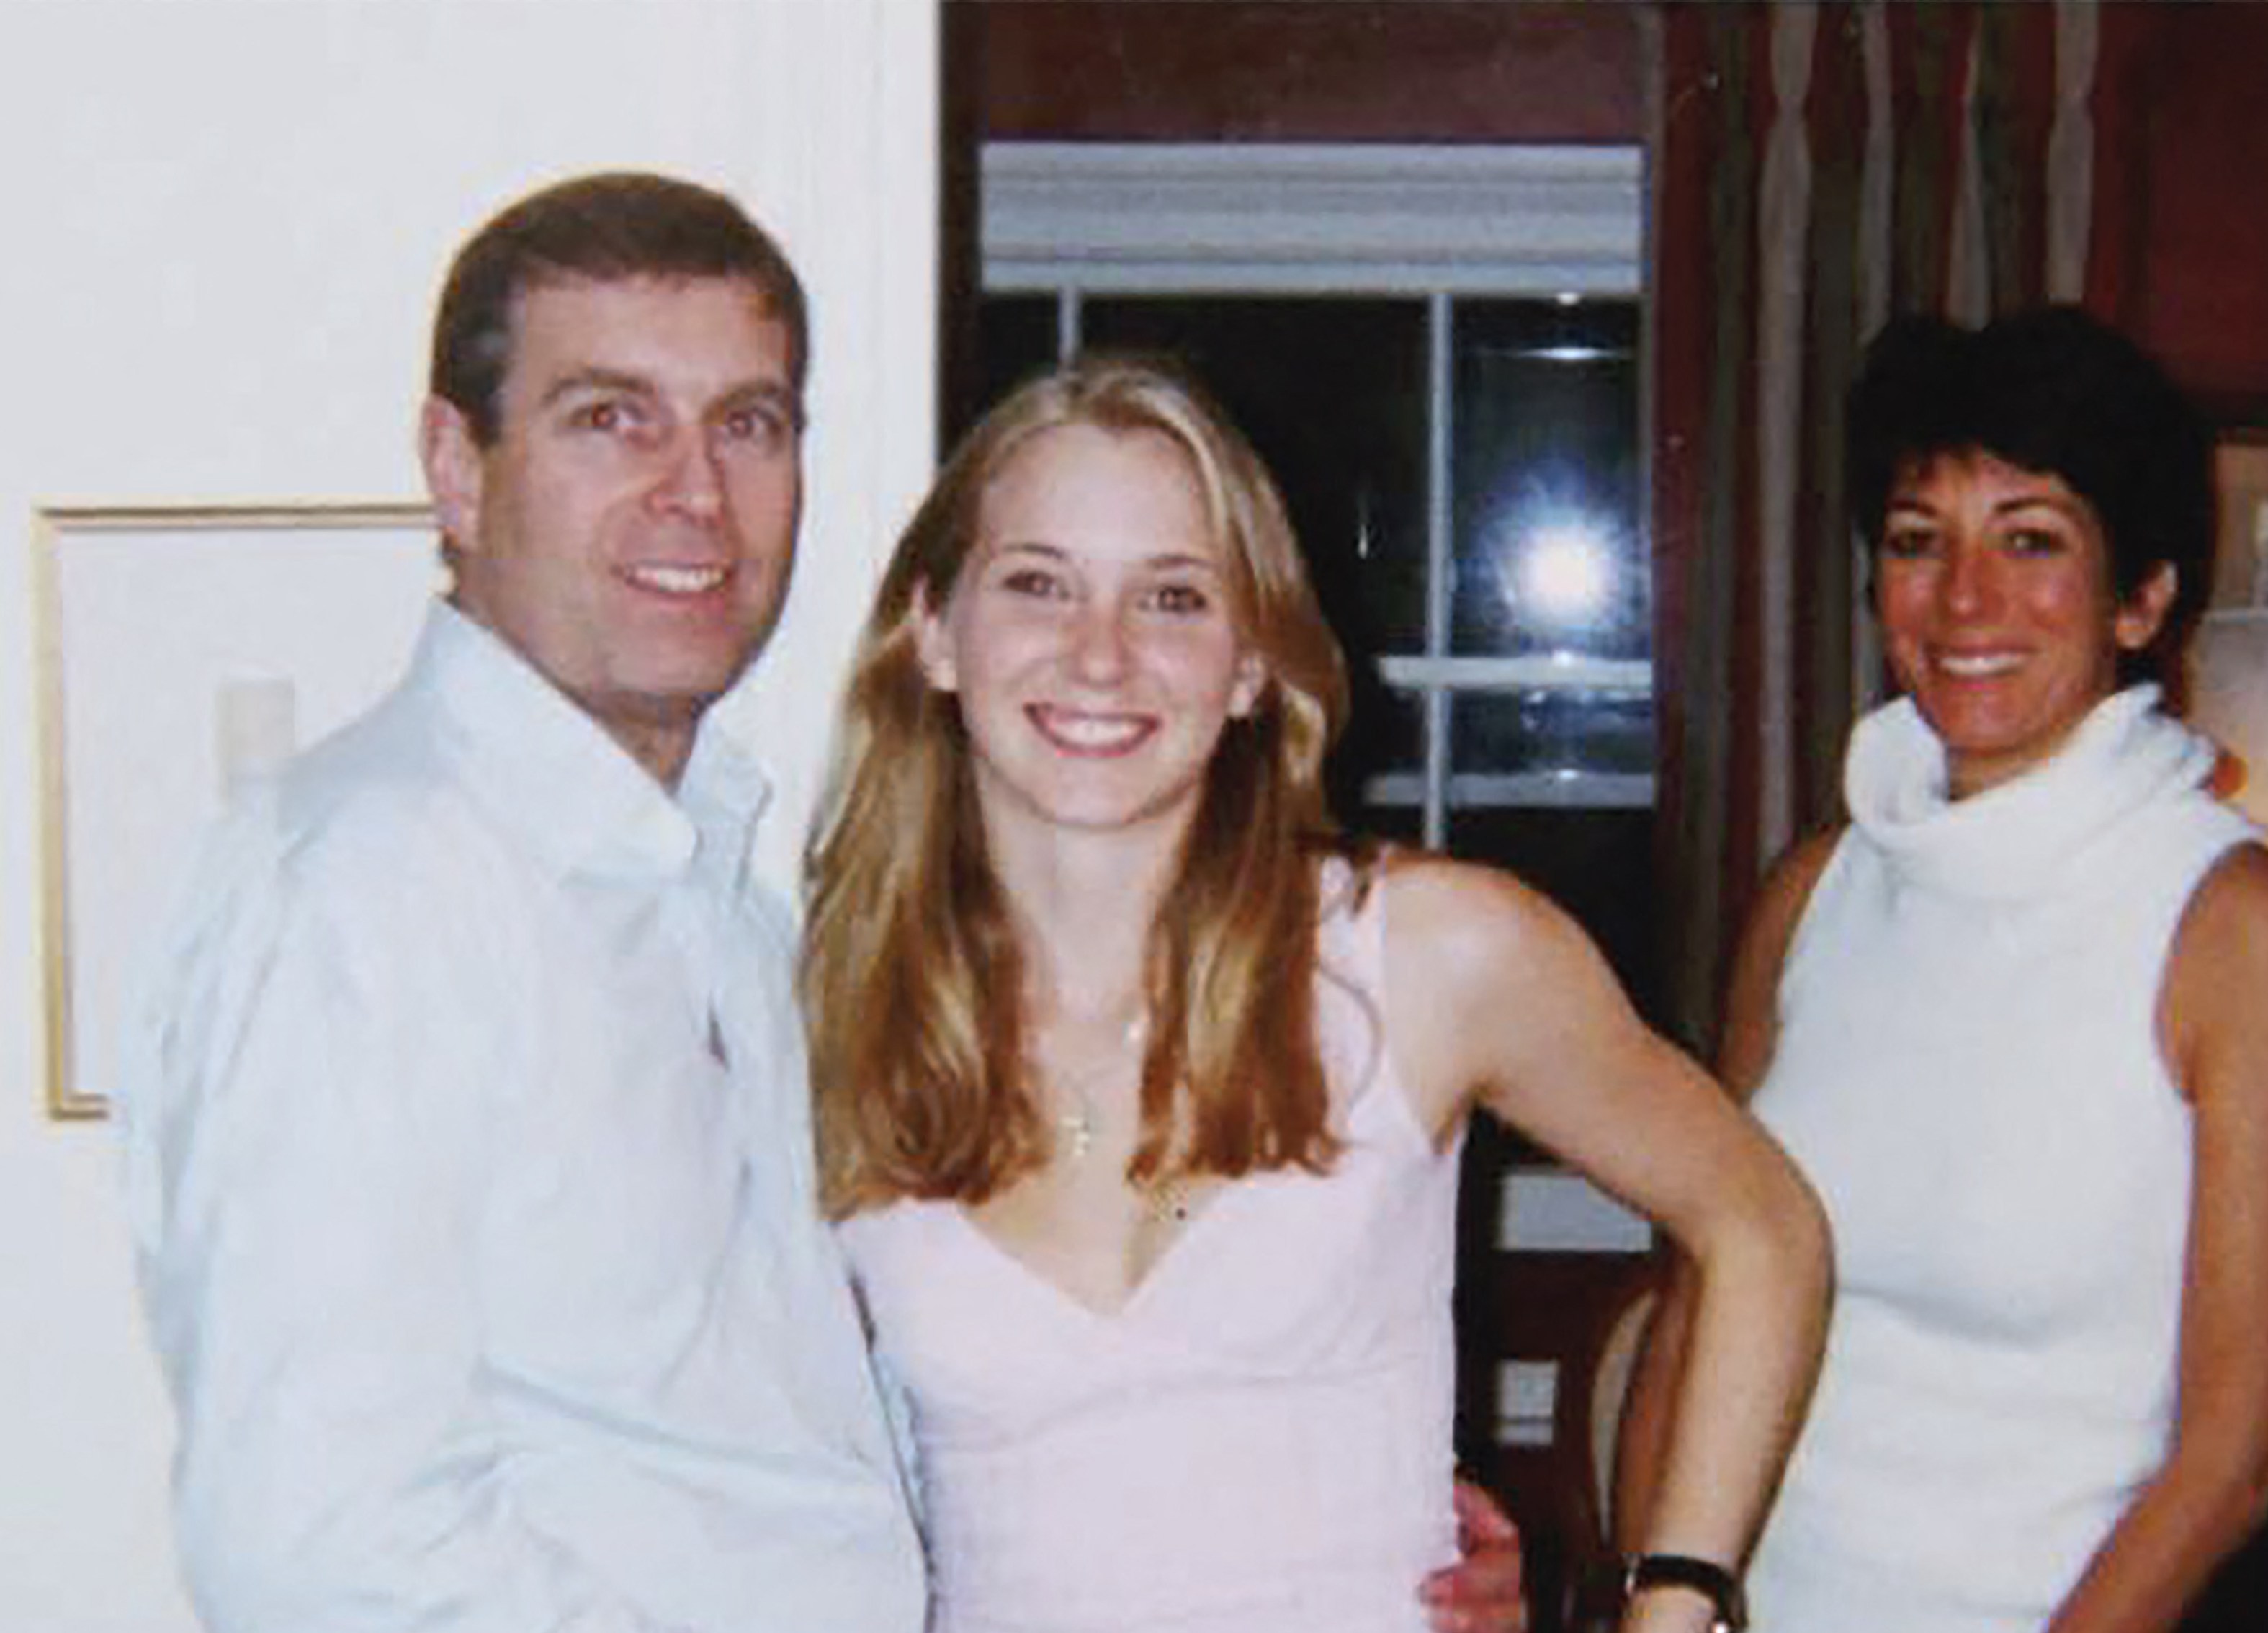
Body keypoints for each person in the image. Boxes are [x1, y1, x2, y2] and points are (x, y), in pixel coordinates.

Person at [115, 173, 1528, 1633]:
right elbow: (323, 1558)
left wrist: (1335, 1522)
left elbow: (809, 1450)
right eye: (609, 417)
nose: (695, 493)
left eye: (749, 424)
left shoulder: (730, 903)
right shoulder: (362, 891)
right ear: (456, 469)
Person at [802, 356, 1832, 1633]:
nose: (1100, 654)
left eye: (1172, 597)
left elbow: (1761, 1225)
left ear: (1247, 666)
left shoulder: (1425, 955)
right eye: (1036, 584)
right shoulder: (823, 1017)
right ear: (934, 633)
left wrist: (1673, 1602)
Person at [1616, 308, 2268, 1633]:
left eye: (2031, 541)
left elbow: (2232, 1454)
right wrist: (1654, 1605)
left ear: (2142, 598)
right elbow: (1695, 1307)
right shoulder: (1812, 893)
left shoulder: (2227, 929)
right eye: (1918, 543)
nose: (1963, 600)